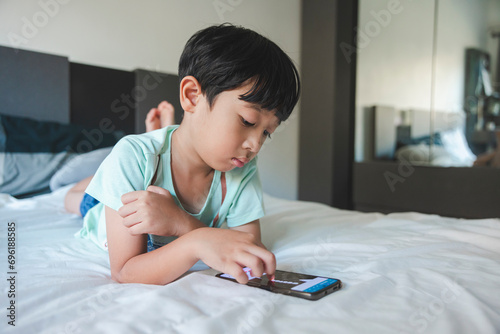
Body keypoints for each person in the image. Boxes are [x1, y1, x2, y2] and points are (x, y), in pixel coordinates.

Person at [64, 23, 300, 285]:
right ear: (191, 96)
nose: (255, 146)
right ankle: (94, 180)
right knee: (78, 201)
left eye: (267, 133)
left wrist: (183, 224)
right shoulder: (131, 155)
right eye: (247, 121)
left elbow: (245, 246)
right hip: (109, 210)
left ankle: (159, 138)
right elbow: (125, 272)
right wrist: (199, 240)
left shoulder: (242, 168)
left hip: (148, 172)